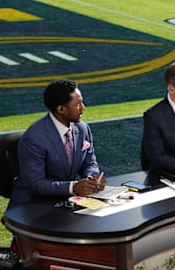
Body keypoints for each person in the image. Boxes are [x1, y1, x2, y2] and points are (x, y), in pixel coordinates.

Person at [9, 79, 104, 208]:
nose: (84, 108)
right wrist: (73, 187)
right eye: (78, 104)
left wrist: (91, 179)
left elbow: (90, 162)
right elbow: (35, 184)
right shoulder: (34, 138)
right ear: (61, 109)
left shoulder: (82, 128)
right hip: (32, 204)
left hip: (65, 200)